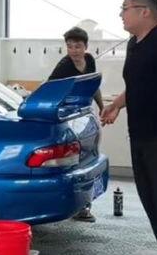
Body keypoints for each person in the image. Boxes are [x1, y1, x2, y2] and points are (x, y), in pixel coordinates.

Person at [101, 0, 157, 242]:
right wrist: (116, 105)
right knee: (150, 202)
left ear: (144, 11)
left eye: (125, 8)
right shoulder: (135, 44)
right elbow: (137, 84)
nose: (121, 14)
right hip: (139, 136)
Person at [48, 26, 104, 223]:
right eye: (70, 46)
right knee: (74, 161)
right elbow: (50, 90)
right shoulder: (63, 66)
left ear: (85, 47)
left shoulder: (90, 60)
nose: (73, 51)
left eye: (77, 46)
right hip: (68, 116)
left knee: (90, 158)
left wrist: (102, 107)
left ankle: (85, 206)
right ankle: (75, 206)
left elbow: (93, 86)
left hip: (85, 114)